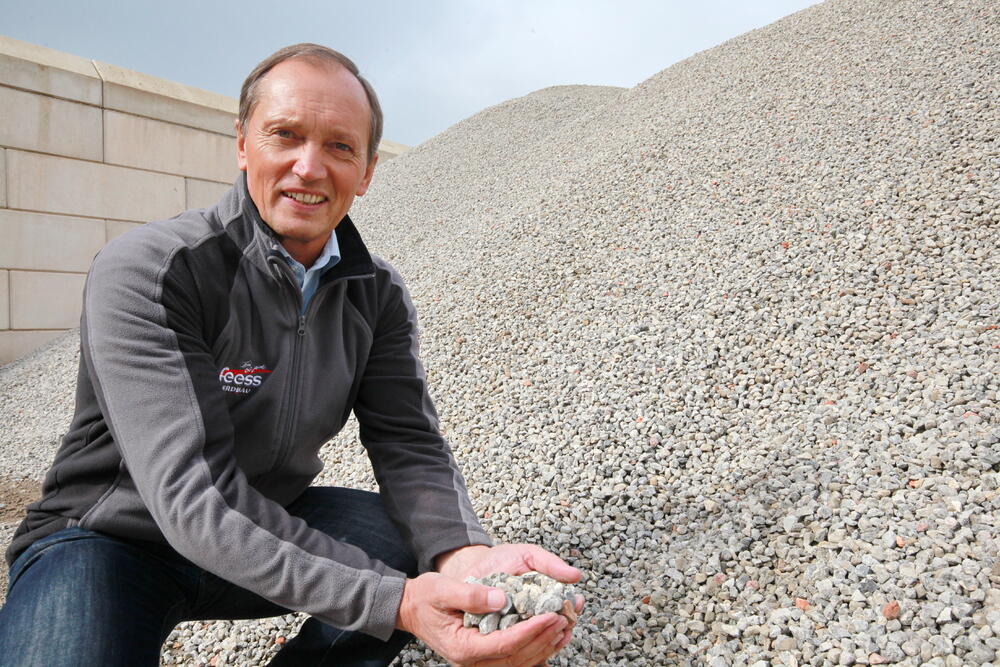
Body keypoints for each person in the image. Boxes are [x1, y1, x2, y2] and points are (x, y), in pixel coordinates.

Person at [0, 44, 580, 666]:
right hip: (107, 541)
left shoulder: (375, 293)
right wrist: (399, 604)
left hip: (261, 525)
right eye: (285, 135)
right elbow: (193, 496)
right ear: (243, 143)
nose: (309, 168)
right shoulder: (153, 270)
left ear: (367, 171)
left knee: (411, 542)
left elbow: (408, 442)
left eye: (339, 146)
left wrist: (463, 560)